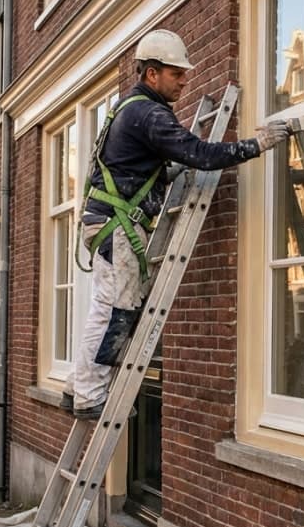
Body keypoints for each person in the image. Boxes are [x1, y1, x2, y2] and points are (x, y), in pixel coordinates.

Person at [65, 29, 290, 421]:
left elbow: (139, 169)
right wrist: (258, 145)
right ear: (152, 74)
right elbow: (200, 154)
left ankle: (77, 387)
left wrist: (170, 169)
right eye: (176, 73)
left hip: (107, 221)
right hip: (118, 226)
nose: (184, 80)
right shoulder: (149, 114)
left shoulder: (127, 107)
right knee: (114, 311)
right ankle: (87, 395)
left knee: (105, 308)